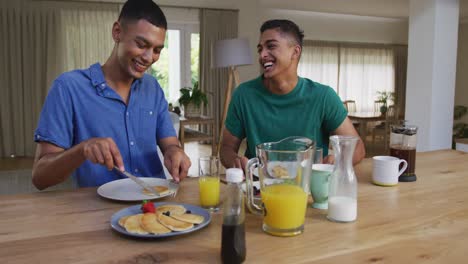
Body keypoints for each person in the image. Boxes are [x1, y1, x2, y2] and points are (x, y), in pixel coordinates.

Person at [32, 0, 191, 189]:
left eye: (157, 50)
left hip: (154, 207)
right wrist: (82, 149)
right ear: (117, 32)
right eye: (141, 44)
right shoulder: (68, 88)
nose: (149, 58)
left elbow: (170, 144)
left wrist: (175, 152)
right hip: (97, 211)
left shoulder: (152, 88)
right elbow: (40, 178)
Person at [220, 19, 365, 169]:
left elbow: (358, 147)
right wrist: (235, 162)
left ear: (295, 52)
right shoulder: (243, 95)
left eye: (271, 46)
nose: (262, 55)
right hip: (260, 186)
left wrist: (337, 161)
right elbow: (226, 148)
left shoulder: (324, 96)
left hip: (308, 188)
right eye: (260, 49)